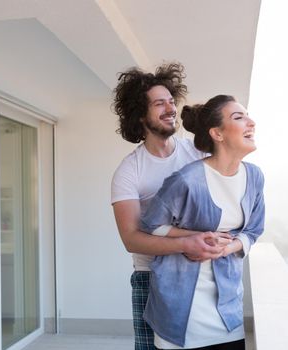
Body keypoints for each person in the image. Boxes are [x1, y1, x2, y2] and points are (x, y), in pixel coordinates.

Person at [111, 63, 233, 350]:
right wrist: (186, 243)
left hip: (200, 275)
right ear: (141, 116)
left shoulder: (197, 152)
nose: (170, 109)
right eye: (159, 104)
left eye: (170, 101)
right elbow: (131, 239)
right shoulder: (130, 171)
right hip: (150, 280)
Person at [140, 95, 265, 350]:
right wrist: (190, 239)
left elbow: (253, 230)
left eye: (247, 115)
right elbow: (151, 226)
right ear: (217, 134)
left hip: (228, 312)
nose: (251, 122)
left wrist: (227, 247)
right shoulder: (186, 180)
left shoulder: (254, 177)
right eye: (239, 117)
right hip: (182, 314)